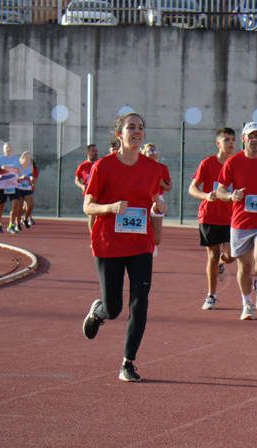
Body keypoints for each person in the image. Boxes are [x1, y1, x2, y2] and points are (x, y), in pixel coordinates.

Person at [81, 112, 168, 383]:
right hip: (108, 244)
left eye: (141, 127)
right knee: (114, 308)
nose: (137, 131)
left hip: (140, 243)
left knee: (140, 303)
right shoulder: (103, 166)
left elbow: (154, 201)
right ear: (119, 134)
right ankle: (99, 312)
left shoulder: (153, 169)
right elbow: (87, 206)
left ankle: (128, 362)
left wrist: (159, 207)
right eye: (131, 127)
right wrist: (110, 207)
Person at [215, 121, 257, 320]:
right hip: (241, 222)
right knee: (244, 267)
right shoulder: (233, 162)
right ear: (243, 139)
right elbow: (220, 189)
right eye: (251, 136)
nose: (255, 139)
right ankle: (247, 304)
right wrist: (230, 196)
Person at [188, 127, 237, 310]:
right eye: (226, 140)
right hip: (209, 216)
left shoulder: (238, 163)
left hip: (232, 217)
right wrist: (206, 195)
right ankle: (211, 295)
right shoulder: (207, 163)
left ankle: (222, 265)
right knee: (213, 255)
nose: (230, 143)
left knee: (231, 256)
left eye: (232, 139)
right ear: (218, 143)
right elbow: (192, 188)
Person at [141, 143, 171, 248]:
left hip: (157, 200)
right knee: (141, 230)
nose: (153, 153)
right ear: (144, 152)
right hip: (141, 199)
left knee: (157, 239)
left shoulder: (162, 167)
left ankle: (150, 249)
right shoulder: (139, 166)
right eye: (150, 151)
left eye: (154, 150)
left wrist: (161, 183)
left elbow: (168, 187)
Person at [0, 142, 23, 234]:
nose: (8, 149)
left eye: (10, 147)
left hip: (14, 185)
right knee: (0, 206)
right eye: (7, 147)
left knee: (16, 205)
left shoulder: (16, 160)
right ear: (4, 149)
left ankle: (11, 225)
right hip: (2, 186)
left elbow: (20, 171)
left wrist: (20, 178)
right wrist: (0, 169)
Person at [75, 144, 99, 232]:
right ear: (88, 152)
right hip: (89, 194)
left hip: (100, 192)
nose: (95, 153)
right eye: (93, 151)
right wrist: (82, 186)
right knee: (91, 215)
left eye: (96, 151)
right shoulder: (82, 166)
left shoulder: (100, 164)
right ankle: (92, 236)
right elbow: (76, 180)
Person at [16, 151, 37, 229]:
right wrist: (21, 178)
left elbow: (31, 176)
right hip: (19, 188)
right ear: (22, 158)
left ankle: (25, 219)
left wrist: (32, 180)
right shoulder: (18, 166)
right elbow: (13, 178)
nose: (28, 160)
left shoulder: (30, 167)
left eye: (29, 158)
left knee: (31, 205)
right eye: (27, 158)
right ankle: (17, 223)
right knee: (20, 207)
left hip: (27, 188)